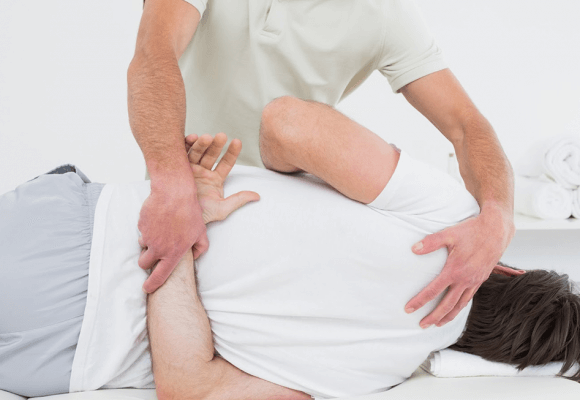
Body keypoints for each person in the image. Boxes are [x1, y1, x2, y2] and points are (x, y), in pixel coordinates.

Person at [0, 134, 577, 399]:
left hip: (60, 224)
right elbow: (190, 389)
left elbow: (285, 121)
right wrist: (179, 255)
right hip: (54, 349)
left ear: (509, 271)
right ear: (487, 358)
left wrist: (188, 214)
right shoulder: (370, 377)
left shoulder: (450, 213)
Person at [127, 0, 516, 331]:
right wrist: (172, 184)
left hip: (277, 219)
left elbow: (466, 125)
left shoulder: (385, 15)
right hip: (179, 198)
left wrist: (499, 214)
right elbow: (153, 53)